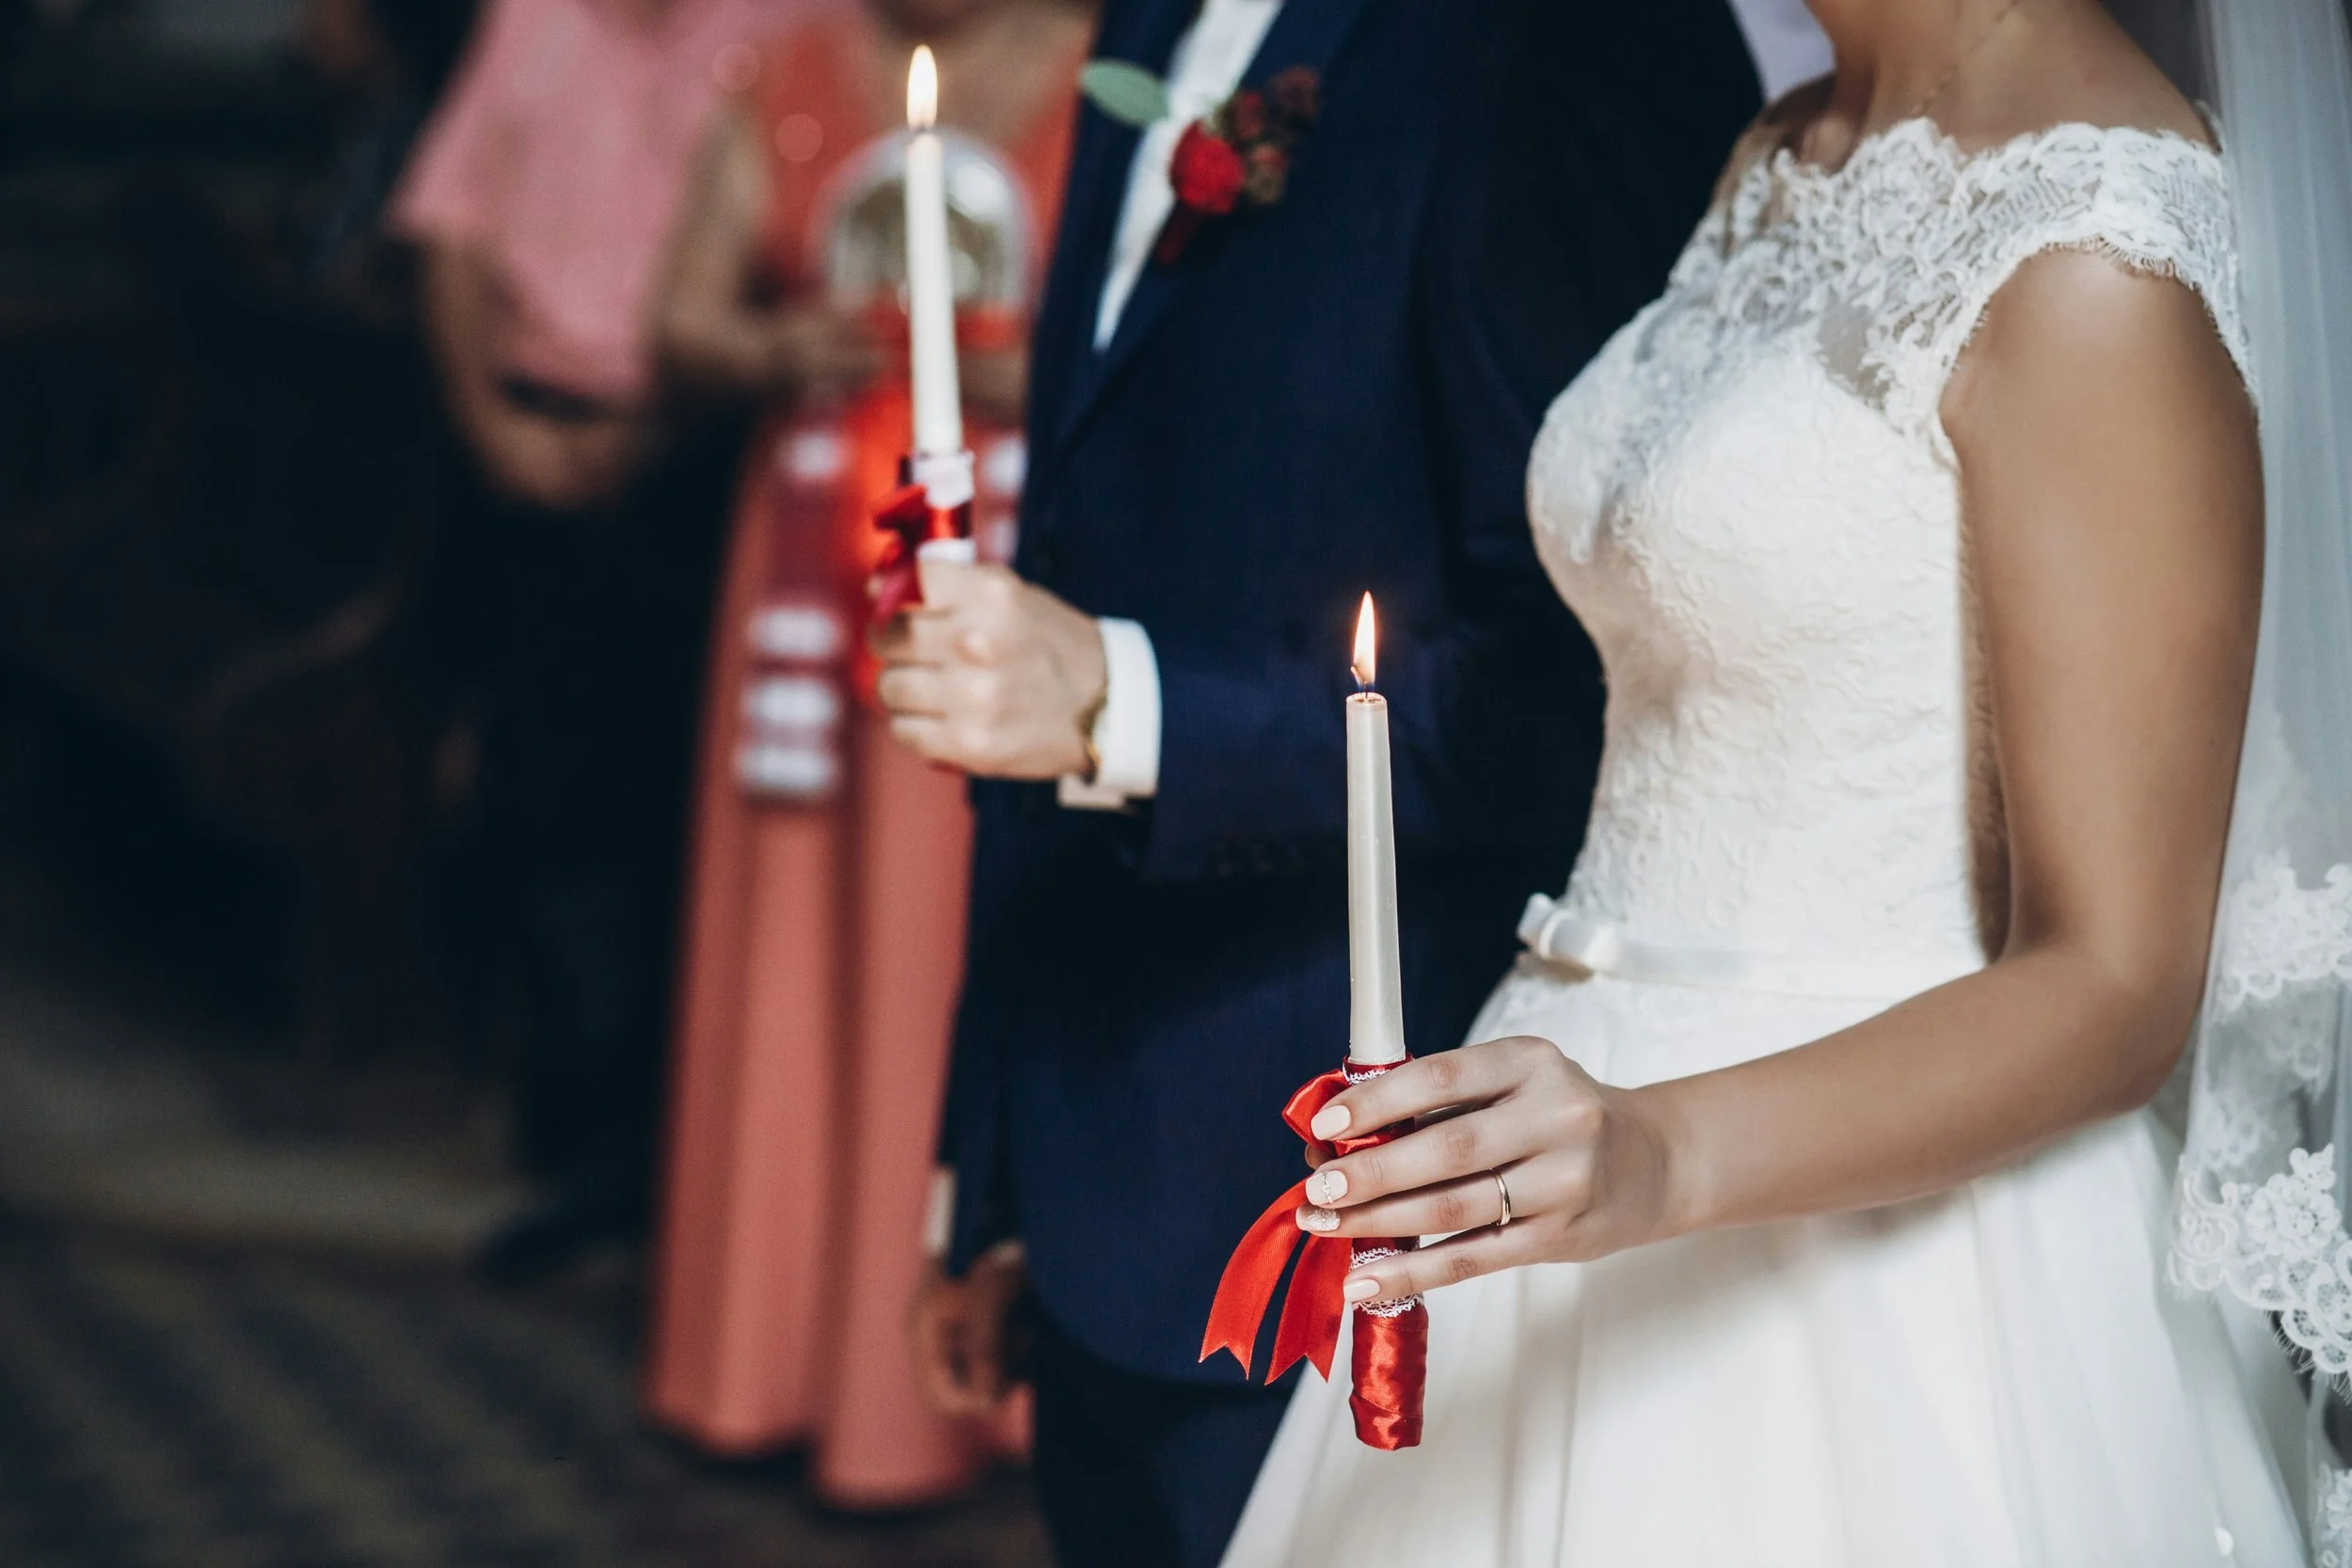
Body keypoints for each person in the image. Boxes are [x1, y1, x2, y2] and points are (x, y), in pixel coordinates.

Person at [1212, 0, 2352, 1559]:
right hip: (1557, 1102)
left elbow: (2119, 977)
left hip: (1898, 1261)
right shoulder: (1796, 137)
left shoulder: (2097, 244)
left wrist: (1656, 1148)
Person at [871, 0, 1779, 1561]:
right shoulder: (1150, 20)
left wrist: (1128, 701)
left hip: (1366, 1201)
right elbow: (1081, 537)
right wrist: (993, 1165)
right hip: (1096, 1150)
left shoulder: (1570, 43)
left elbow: (1588, 685)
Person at [641, 0, 1092, 1507]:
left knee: (973, 944)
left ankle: (997, 1370)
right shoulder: (785, 71)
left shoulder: (1110, 70)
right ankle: (778, 1349)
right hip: (809, 583)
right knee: (799, 959)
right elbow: (681, 321)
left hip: (1020, 579)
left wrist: (1038, 375)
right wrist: (786, 343)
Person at [391, 0, 807, 1277]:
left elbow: (796, 256)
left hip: (700, 460)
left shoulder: (791, 26)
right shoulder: (534, 18)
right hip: (525, 447)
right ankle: (586, 1146)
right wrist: (490, 424)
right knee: (560, 800)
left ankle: (694, 1159)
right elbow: (450, 233)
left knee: (706, 807)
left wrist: (664, 433)